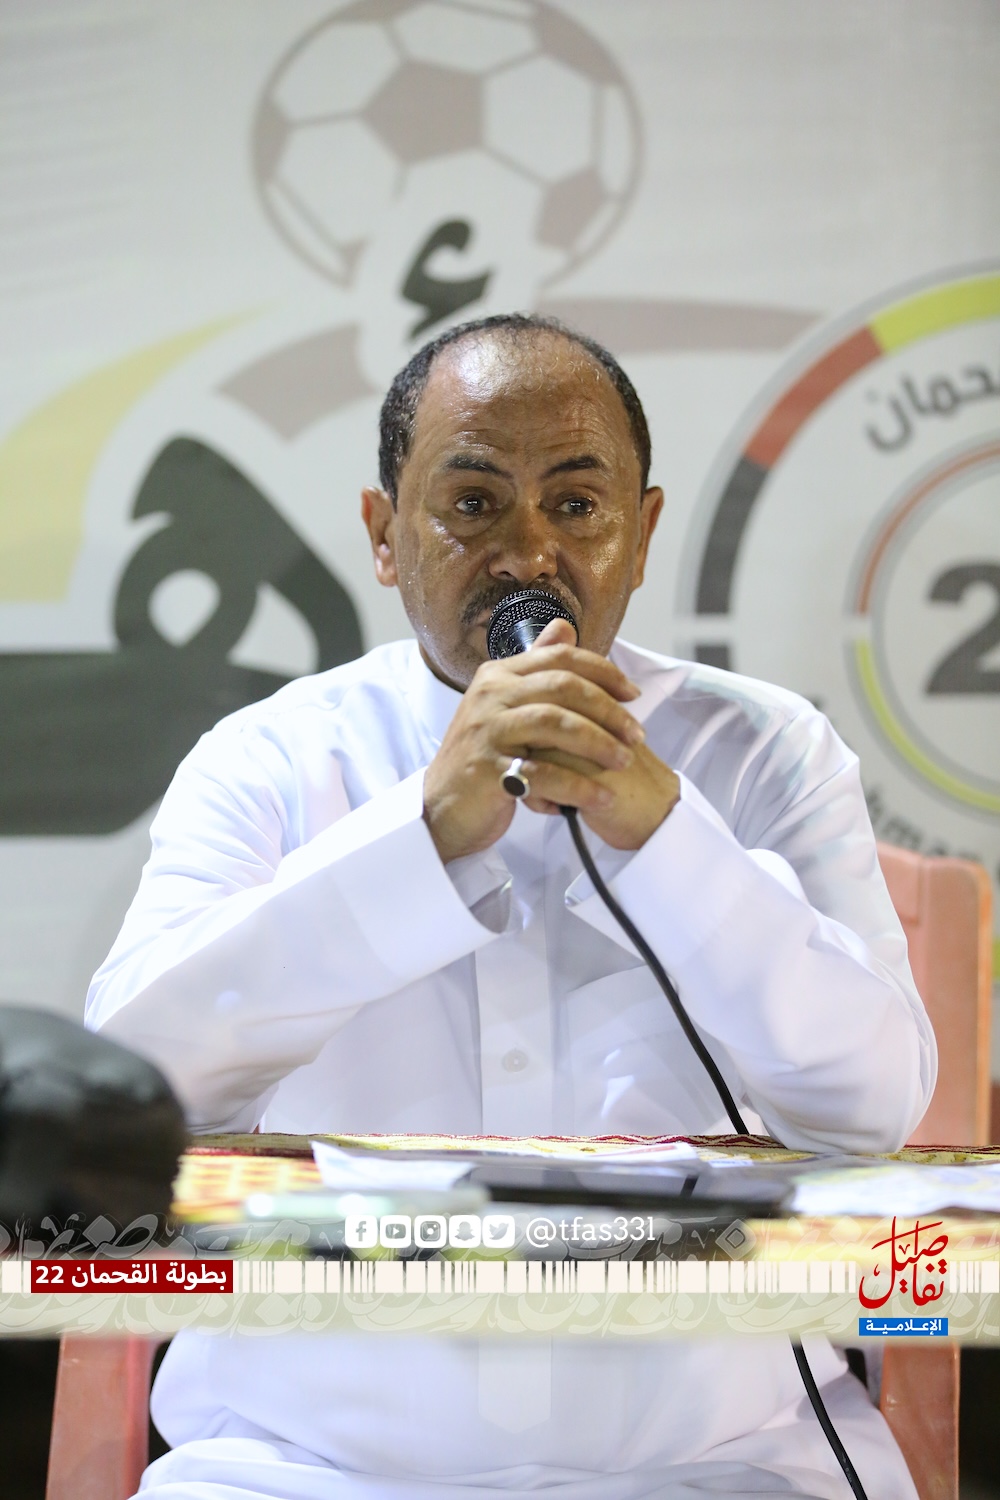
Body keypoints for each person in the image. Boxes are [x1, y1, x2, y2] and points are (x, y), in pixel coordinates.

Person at [87, 314, 934, 1500]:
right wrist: (419, 838)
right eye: (474, 503)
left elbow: (873, 1106)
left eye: (577, 505)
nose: (529, 553)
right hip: (299, 1469)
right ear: (384, 536)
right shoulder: (267, 760)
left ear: (642, 533)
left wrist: (666, 835)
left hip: (716, 1466)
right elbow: (129, 1094)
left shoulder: (763, 752)